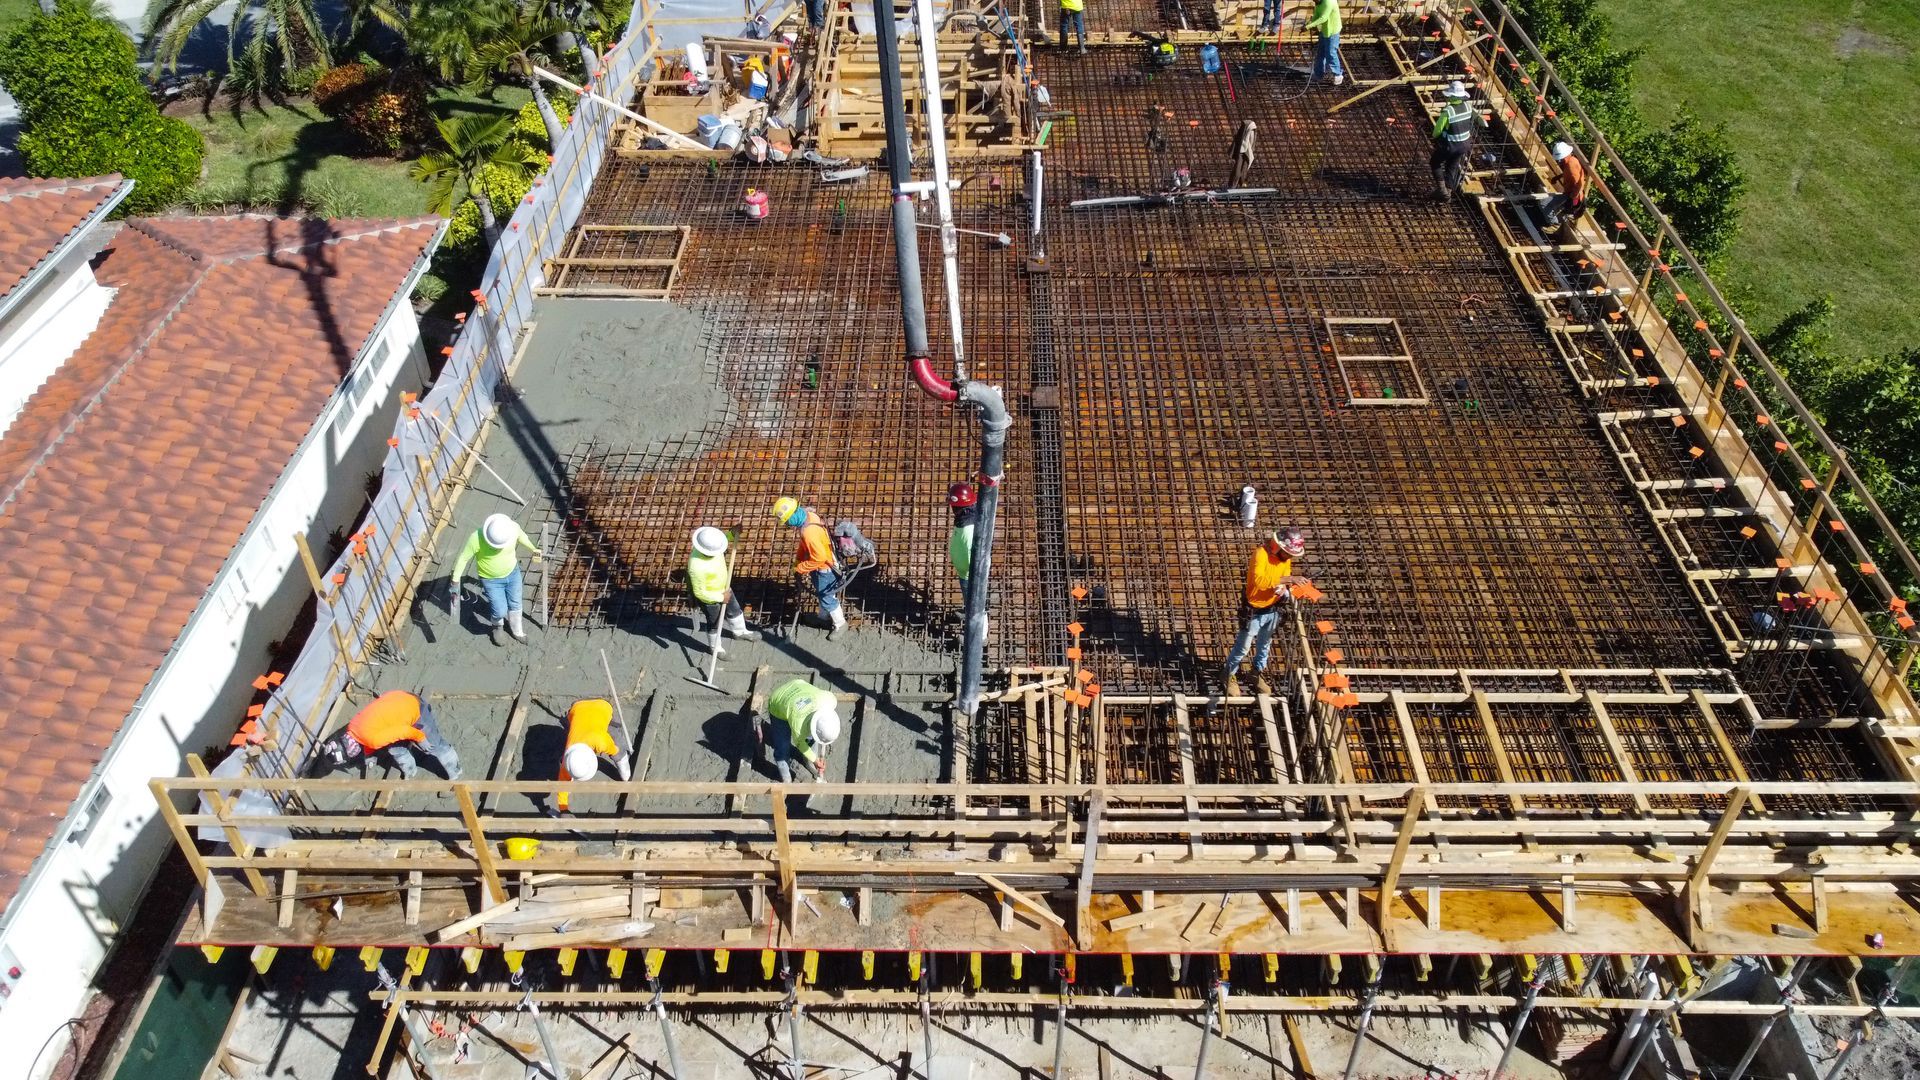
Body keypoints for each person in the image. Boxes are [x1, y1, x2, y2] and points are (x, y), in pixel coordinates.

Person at [1221, 528, 1306, 696]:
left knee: (1264, 646)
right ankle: (1228, 674)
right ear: (1278, 547)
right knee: (1243, 648)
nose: (1289, 557)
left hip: (1273, 609)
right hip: (1254, 610)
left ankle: (1255, 673)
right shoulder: (1260, 554)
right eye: (1288, 553)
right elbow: (1258, 581)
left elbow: (1284, 576)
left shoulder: (1285, 558)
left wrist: (1284, 588)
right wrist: (1288, 579)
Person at [313, 690, 461, 780]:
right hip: (396, 699)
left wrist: (421, 738)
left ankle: (455, 772)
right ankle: (410, 770)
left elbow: (404, 731)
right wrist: (369, 755)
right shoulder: (352, 727)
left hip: (413, 708)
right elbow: (366, 739)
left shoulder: (373, 739)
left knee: (435, 745)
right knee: (395, 748)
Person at [452, 513, 542, 646]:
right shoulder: (476, 538)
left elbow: (522, 536)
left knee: (516, 603)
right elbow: (463, 558)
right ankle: (497, 626)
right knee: (499, 610)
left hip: (513, 573)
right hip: (491, 580)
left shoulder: (512, 528)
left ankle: (517, 630)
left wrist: (534, 549)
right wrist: (455, 579)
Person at [773, 496, 846, 640]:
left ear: (793, 516)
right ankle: (823, 617)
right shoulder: (809, 517)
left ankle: (840, 624)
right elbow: (804, 545)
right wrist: (799, 558)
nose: (787, 524)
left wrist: (801, 568)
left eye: (787, 521)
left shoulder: (809, 532)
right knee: (822, 593)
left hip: (825, 568)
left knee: (826, 596)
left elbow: (819, 558)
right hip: (819, 566)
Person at [688, 525, 760, 657]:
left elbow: (721, 540)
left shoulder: (711, 546)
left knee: (735, 611)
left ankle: (740, 632)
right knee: (714, 623)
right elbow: (700, 592)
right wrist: (721, 598)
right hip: (710, 600)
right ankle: (715, 648)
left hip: (724, 587)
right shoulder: (696, 566)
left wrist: (732, 534)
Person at [556, 698, 631, 813]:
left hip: (602, 706)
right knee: (574, 726)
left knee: (618, 746)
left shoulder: (601, 742)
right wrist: (564, 809)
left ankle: (626, 776)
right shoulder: (569, 758)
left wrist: (626, 778)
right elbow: (562, 784)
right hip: (577, 708)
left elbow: (617, 753)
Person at [764, 678, 842, 783]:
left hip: (798, 686)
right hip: (778, 702)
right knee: (782, 747)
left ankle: (808, 762)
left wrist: (814, 759)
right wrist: (815, 760)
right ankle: (786, 778)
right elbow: (801, 744)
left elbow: (812, 736)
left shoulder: (829, 700)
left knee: (811, 739)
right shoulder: (799, 725)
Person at [1429, 81, 1477, 200]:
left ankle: (1442, 191)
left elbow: (1437, 131)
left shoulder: (1448, 111)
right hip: (1465, 145)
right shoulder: (1468, 107)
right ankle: (1448, 192)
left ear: (1452, 96)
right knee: (1452, 166)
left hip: (1451, 145)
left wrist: (1436, 137)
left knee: (1435, 162)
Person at [1543, 141, 1588, 227]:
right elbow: (1570, 174)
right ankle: (1555, 221)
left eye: (1561, 159)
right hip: (1570, 195)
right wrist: (1558, 177)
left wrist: (1572, 200)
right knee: (1555, 206)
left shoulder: (1571, 166)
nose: (1559, 162)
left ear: (1566, 155)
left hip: (1572, 197)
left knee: (1544, 204)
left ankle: (1554, 225)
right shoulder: (1572, 160)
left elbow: (1579, 184)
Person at [948, 481, 978, 597]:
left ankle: (974, 609)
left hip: (970, 577)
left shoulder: (969, 528)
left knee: (973, 601)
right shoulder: (962, 520)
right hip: (964, 574)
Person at [1306, 0, 1343, 85]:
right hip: (1324, 30)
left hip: (1333, 31)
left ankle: (1338, 75)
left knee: (1331, 53)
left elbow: (1323, 18)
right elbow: (1316, 15)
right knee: (1320, 53)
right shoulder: (1318, 3)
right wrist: (1309, 24)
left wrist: (1308, 26)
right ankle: (1319, 74)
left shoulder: (1328, 2)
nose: (1314, 1)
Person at [1229, 119, 1259, 189]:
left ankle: (1242, 184)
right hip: (1241, 151)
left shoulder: (1252, 131)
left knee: (1244, 171)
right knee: (1237, 171)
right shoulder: (1243, 131)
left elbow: (1252, 142)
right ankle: (1233, 185)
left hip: (1247, 152)